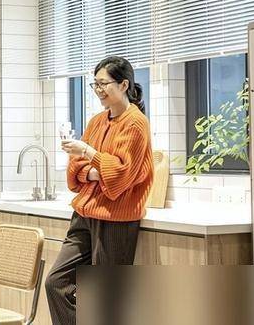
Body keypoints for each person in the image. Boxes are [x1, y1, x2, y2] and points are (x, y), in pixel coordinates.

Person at [45, 56, 154, 324]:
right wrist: (93, 168)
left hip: (116, 219)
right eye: (95, 84)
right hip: (84, 215)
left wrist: (89, 153)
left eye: (104, 84)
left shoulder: (136, 123)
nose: (98, 90)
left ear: (124, 84)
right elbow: (74, 170)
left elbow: (120, 175)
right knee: (56, 282)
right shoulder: (96, 121)